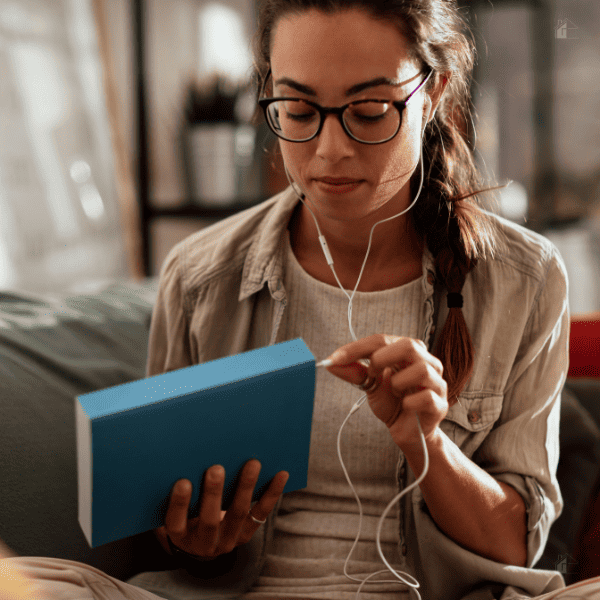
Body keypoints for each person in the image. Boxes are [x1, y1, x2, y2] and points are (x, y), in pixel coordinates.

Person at [2, 1, 598, 599]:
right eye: (298, 109)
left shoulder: (525, 278)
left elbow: (516, 547)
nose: (330, 148)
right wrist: (193, 536)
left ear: (435, 93)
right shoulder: (200, 275)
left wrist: (426, 442)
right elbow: (166, 526)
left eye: (368, 113)